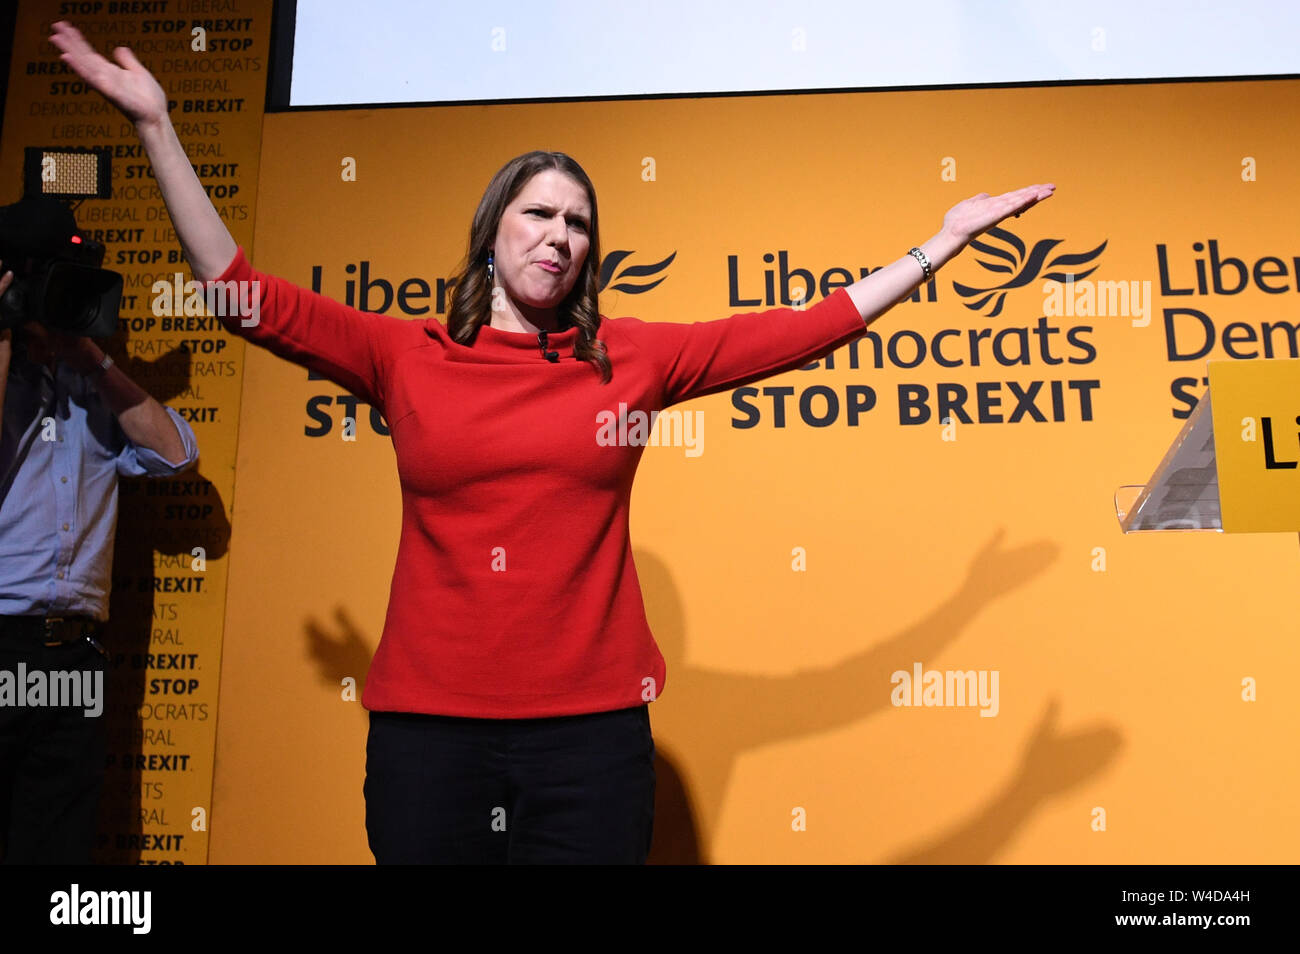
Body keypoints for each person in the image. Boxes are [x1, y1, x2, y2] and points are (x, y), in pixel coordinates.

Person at [50, 20, 1054, 865]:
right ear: (493, 229)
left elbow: (799, 328)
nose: (560, 235)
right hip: (431, 738)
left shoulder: (631, 358)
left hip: (591, 740)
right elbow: (239, 296)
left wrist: (940, 244)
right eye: (539, 213)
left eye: (579, 222)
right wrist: (157, 127)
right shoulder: (409, 354)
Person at [0, 264, 200, 863]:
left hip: (75, 649)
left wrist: (89, 356)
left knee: (61, 840)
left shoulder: (93, 394)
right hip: (3, 634)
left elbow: (176, 455)